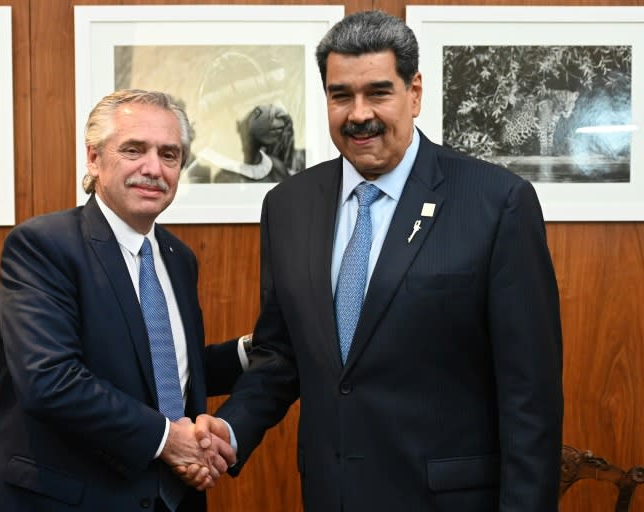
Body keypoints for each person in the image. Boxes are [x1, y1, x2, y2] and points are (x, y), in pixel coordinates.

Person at [195, 10, 563, 511]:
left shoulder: (496, 203)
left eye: (378, 92)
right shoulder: (288, 205)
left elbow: (531, 399)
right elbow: (281, 355)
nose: (358, 113)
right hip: (331, 495)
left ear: (414, 92)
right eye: (340, 95)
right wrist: (231, 430)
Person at [0, 89, 249, 512]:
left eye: (169, 154)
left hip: (167, 499)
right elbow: (50, 380)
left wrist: (252, 352)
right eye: (134, 150)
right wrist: (167, 439)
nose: (153, 168)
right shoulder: (43, 246)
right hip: (68, 499)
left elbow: (159, 372)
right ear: (94, 158)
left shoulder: (179, 259)